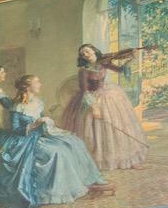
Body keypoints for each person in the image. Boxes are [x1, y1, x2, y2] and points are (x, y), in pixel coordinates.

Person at [0, 75, 113, 208]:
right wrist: (34, 125)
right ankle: (53, 192)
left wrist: (45, 123)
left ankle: (89, 180)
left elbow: (41, 120)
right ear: (27, 87)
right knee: (57, 151)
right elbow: (15, 129)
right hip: (24, 140)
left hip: (40, 134)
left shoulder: (38, 102)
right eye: (37, 82)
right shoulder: (17, 107)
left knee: (74, 142)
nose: (40, 84)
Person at [59, 42, 148, 170]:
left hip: (107, 95)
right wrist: (94, 107)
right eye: (82, 53)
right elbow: (85, 91)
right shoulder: (83, 71)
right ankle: (95, 161)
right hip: (91, 99)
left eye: (87, 51)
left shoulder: (104, 63)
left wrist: (132, 59)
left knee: (120, 127)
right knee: (93, 130)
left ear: (94, 51)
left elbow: (121, 70)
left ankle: (129, 160)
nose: (85, 54)